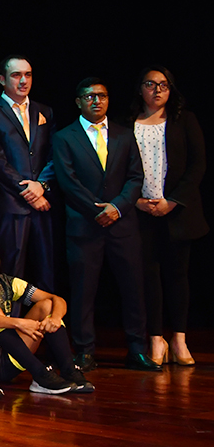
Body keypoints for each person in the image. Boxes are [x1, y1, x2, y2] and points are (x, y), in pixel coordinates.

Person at [51, 78, 152, 372]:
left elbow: (135, 177)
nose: (97, 101)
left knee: (133, 288)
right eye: (90, 96)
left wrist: (117, 207)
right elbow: (68, 181)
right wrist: (96, 210)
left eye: (102, 96)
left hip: (123, 225)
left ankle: (137, 349)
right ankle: (84, 351)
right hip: (85, 225)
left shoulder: (124, 134)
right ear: (79, 102)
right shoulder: (65, 137)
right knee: (84, 291)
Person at [131, 67, 206, 366]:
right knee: (148, 277)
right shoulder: (128, 123)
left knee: (177, 276)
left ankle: (179, 338)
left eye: (163, 85)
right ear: (141, 89)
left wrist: (173, 201)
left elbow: (197, 166)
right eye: (150, 84)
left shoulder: (183, 120)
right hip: (142, 211)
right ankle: (155, 339)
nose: (157, 90)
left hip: (176, 212)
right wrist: (134, 201)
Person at [0, 232, 93, 394]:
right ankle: (40, 373)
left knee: (46, 306)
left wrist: (55, 318)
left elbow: (57, 300)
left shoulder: (8, 282)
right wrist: (19, 323)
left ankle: (68, 369)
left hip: (14, 356)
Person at [0, 56, 56, 291]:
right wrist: (28, 191)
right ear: (2, 79)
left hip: (43, 203)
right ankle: (11, 324)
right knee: (12, 271)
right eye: (16, 75)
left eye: (28, 74)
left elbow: (54, 155)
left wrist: (41, 185)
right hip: (11, 203)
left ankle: (49, 324)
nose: (23, 80)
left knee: (47, 269)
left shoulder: (44, 111)